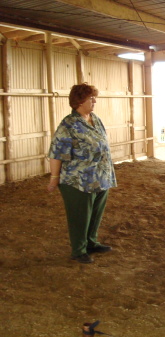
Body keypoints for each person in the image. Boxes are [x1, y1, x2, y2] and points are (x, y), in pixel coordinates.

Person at [47, 83, 117, 264]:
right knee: (80, 216)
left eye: (94, 97)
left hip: (100, 177)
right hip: (77, 180)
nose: (94, 101)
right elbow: (57, 152)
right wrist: (54, 178)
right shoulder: (68, 125)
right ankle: (78, 250)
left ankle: (91, 243)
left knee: (95, 213)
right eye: (90, 98)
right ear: (79, 101)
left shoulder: (95, 119)